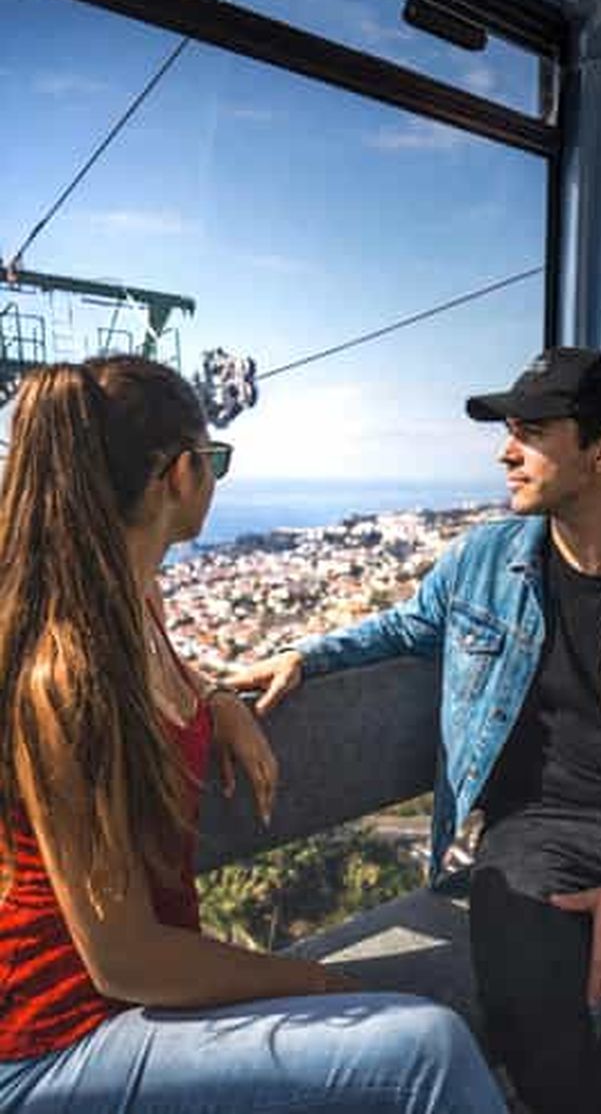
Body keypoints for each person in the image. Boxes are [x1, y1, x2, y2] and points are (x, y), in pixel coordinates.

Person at [234, 347, 601, 1114]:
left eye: (531, 431)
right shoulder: (481, 562)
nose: (505, 450)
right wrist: (303, 653)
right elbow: (407, 625)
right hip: (534, 835)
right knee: (534, 1023)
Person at [0, 357, 507, 1114]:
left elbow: (165, 682)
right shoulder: (70, 675)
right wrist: (315, 980)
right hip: (52, 1044)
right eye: (216, 461)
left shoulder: (133, 605)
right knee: (425, 1051)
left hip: (118, 1008)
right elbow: (125, 960)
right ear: (180, 474)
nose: (214, 478)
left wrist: (217, 699)